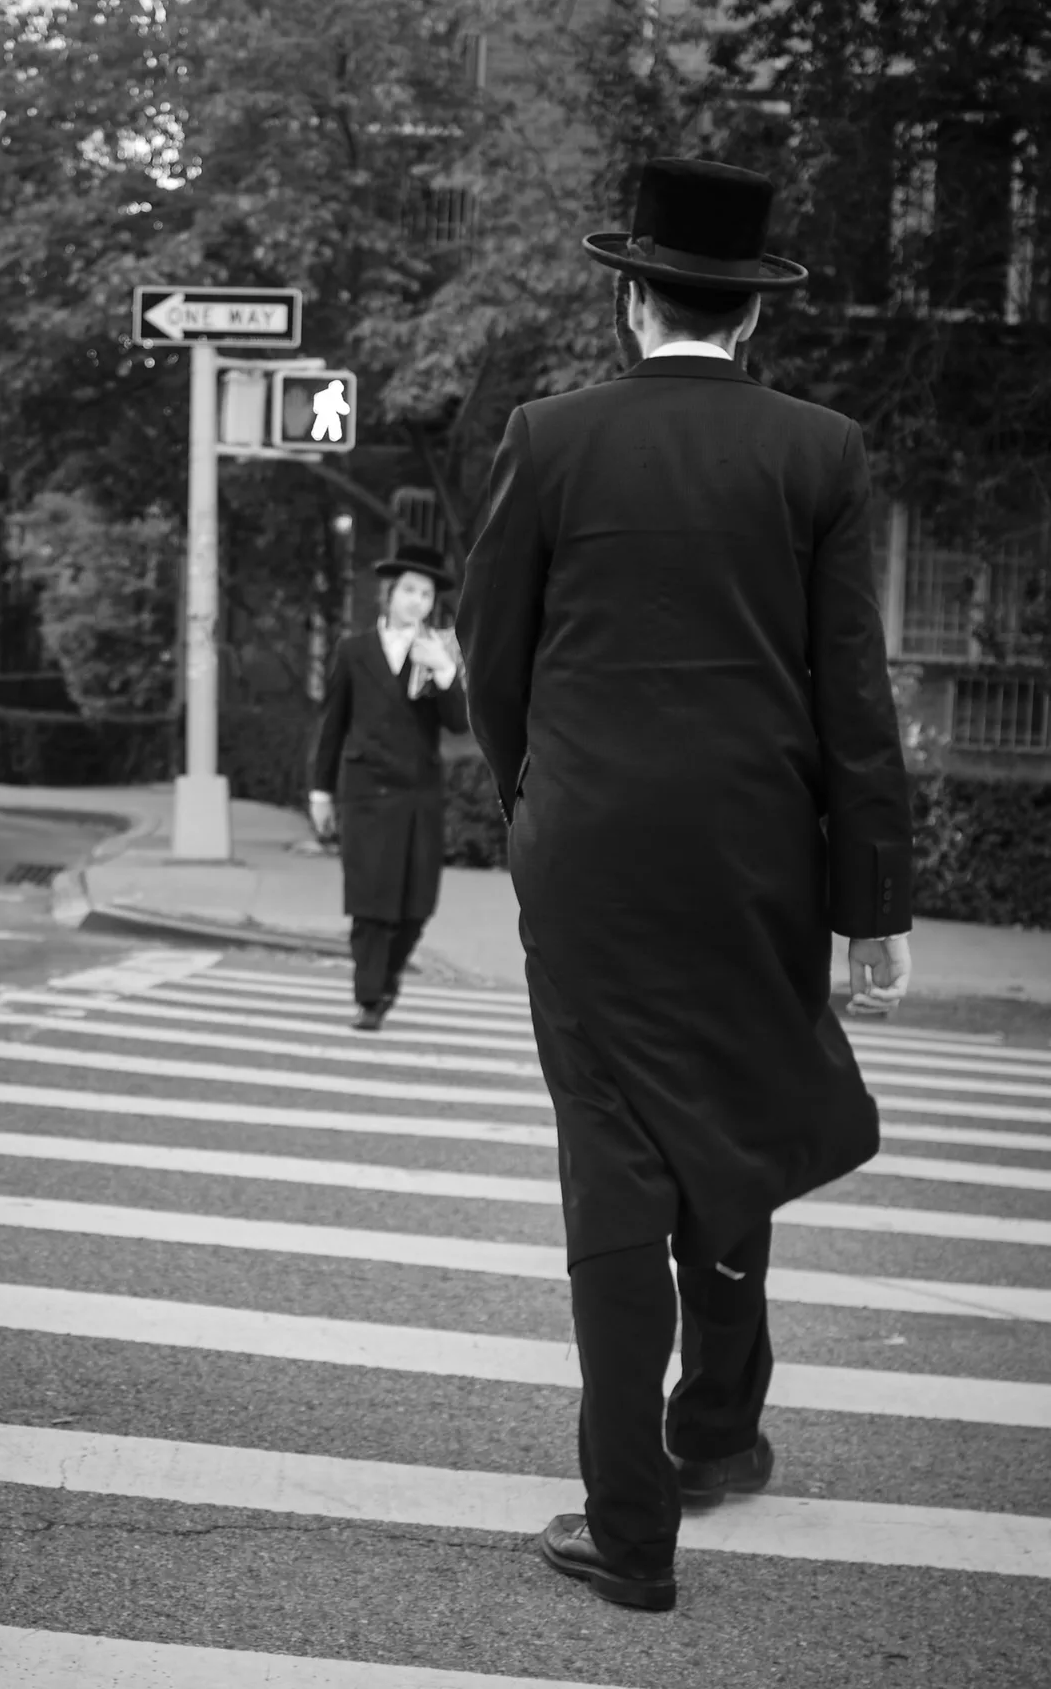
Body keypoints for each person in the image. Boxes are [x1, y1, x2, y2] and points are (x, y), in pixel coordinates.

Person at [455, 156, 914, 1612]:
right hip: (760, 853)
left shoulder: (551, 435)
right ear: (751, 315)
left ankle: (627, 1525)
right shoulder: (821, 452)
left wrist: (542, 796)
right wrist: (875, 905)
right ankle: (714, 1432)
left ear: (631, 294)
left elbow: (491, 655)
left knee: (613, 1155)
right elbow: (854, 694)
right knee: (730, 1112)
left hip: (588, 854)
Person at [309, 538, 469, 1030]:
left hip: (418, 794)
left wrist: (445, 673)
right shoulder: (353, 651)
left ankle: (390, 975)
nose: (416, 602)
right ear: (390, 594)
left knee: (416, 906)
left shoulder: (439, 651)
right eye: (409, 591)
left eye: (425, 595)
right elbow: (332, 725)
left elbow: (459, 724)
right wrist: (320, 791)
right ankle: (369, 997)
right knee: (370, 901)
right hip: (365, 793)